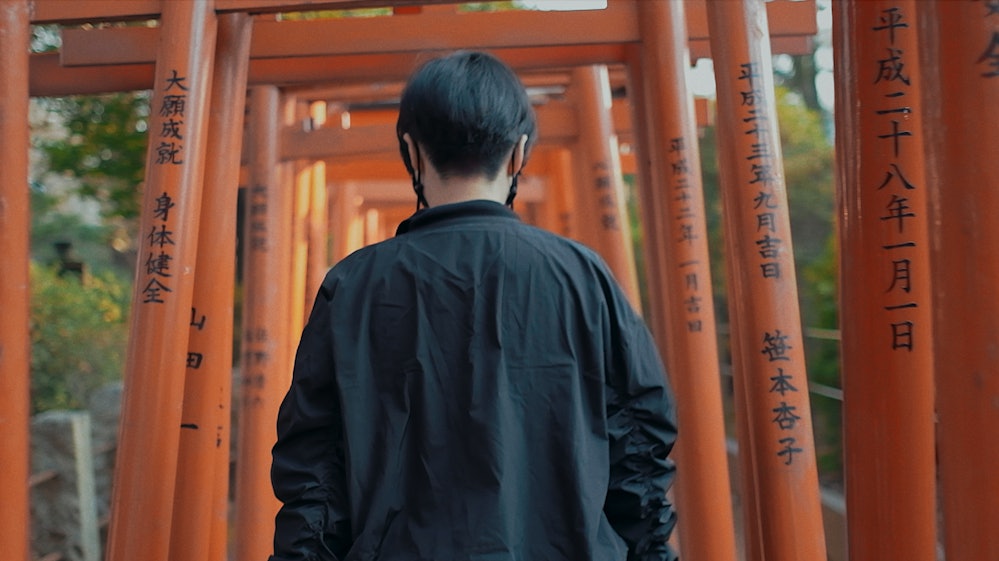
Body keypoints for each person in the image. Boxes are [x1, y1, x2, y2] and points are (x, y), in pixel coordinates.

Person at [269, 50, 679, 561]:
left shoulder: (353, 284)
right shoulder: (583, 276)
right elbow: (639, 449)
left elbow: (314, 469)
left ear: (412, 153)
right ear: (519, 154)